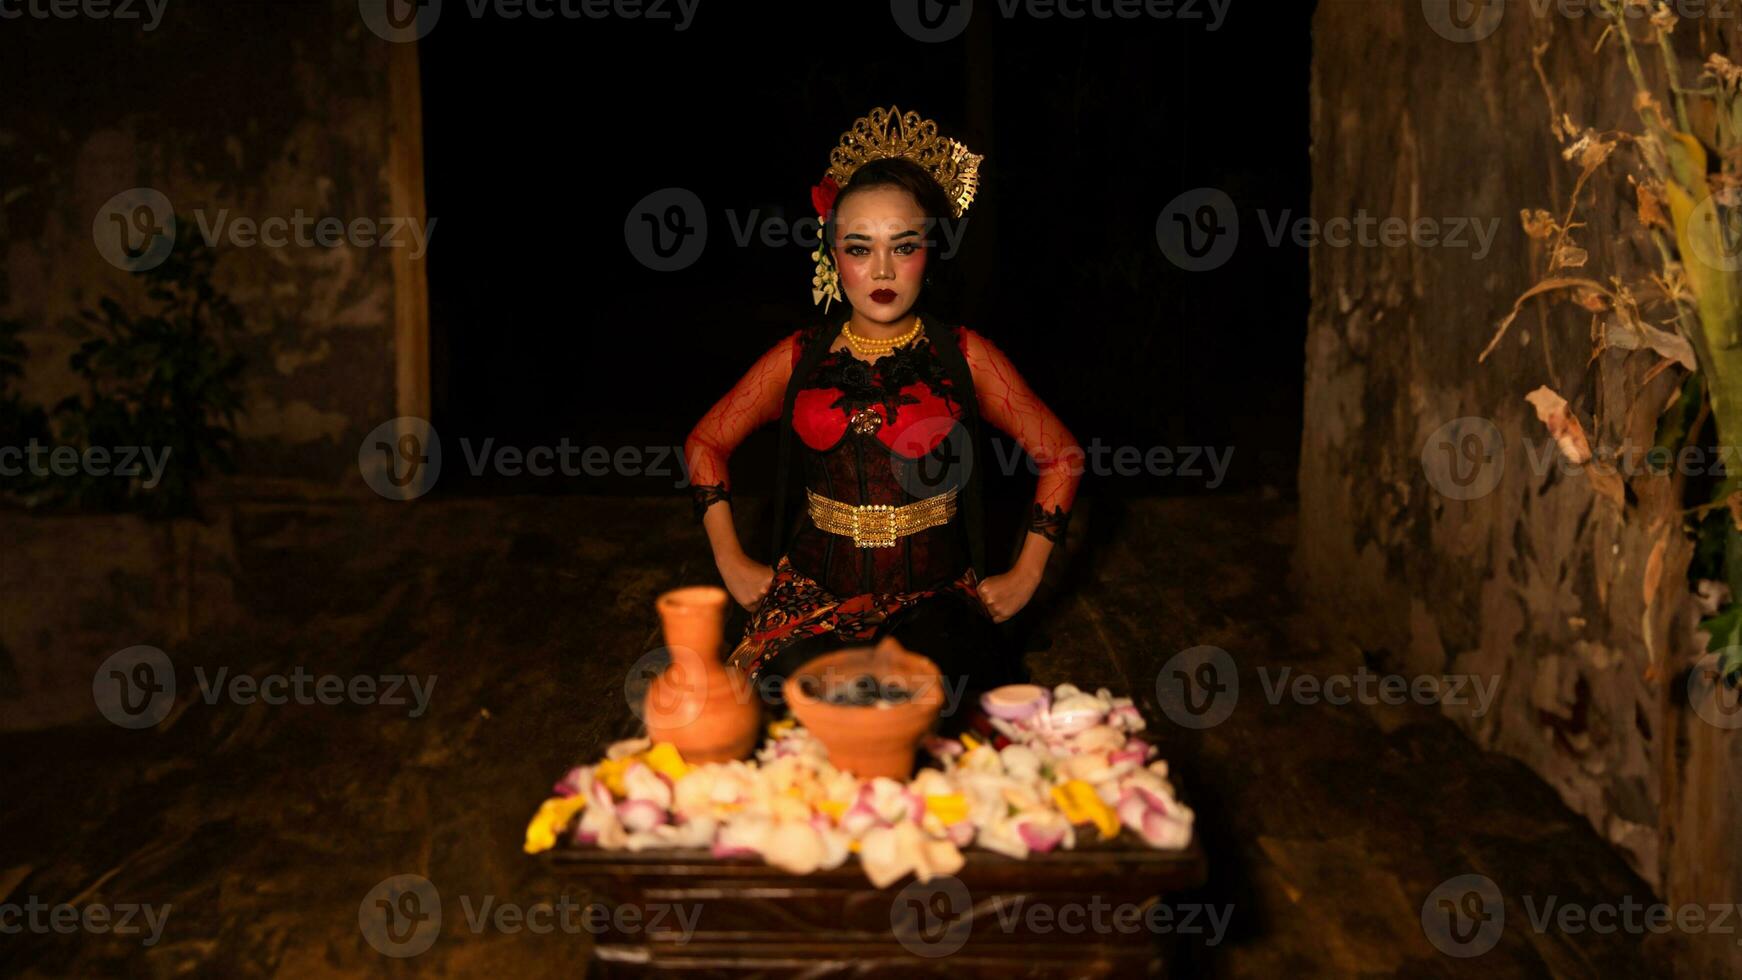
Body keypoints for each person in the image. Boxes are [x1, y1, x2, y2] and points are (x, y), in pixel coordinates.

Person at [683, 106, 1081, 717]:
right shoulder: (797, 359)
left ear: (930, 252)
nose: (883, 271)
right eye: (860, 248)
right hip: (812, 595)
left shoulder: (966, 356)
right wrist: (730, 559)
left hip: (935, 598)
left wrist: (1026, 574)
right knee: (786, 709)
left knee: (932, 707)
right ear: (831, 256)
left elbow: (1061, 456)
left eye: (904, 246)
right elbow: (705, 442)